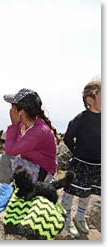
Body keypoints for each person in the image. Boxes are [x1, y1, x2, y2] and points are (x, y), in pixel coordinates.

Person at [0, 88, 58, 183]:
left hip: (43, 174)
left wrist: (14, 124)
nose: (10, 110)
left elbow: (9, 152)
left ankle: (10, 193)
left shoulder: (39, 131)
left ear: (21, 112)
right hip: (30, 164)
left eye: (13, 107)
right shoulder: (24, 126)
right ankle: (6, 187)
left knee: (2, 161)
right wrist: (16, 126)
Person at [60, 79, 101, 238]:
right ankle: (65, 220)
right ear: (89, 100)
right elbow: (68, 137)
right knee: (69, 192)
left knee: (87, 192)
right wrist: (76, 153)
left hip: (97, 164)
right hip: (80, 163)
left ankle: (80, 217)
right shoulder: (82, 118)